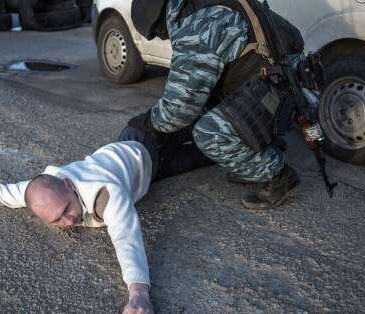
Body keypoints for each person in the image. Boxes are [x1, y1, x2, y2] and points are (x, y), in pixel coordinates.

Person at [0, 126, 214, 314]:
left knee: (198, 126)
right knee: (204, 154)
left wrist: (139, 294)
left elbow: (126, 239)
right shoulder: (43, 191)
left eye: (67, 211)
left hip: (145, 141)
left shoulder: (106, 195)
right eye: (55, 220)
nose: (68, 223)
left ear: (69, 186)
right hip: (149, 170)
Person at [129, 0, 316, 210]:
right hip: (285, 82)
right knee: (208, 104)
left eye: (159, 33)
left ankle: (278, 175)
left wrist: (149, 121)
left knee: (209, 133)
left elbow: (179, 110)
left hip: (281, 96)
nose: (164, 37)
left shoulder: (198, 24)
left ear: (160, 20)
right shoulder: (205, 4)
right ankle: (261, 150)